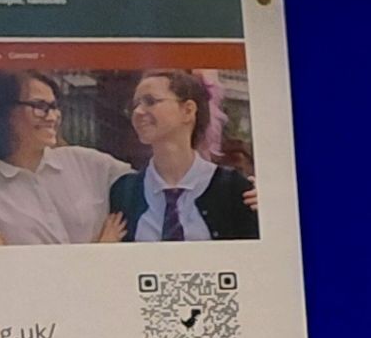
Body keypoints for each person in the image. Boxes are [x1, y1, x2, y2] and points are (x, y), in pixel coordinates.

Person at [0, 71, 128, 244]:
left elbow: (150, 188)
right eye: (40, 107)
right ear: (3, 111)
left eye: (54, 107)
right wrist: (101, 250)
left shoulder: (87, 162)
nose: (53, 117)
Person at [106, 70, 259, 241]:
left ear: (188, 110)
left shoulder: (234, 188)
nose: (138, 112)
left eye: (150, 101)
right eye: (134, 105)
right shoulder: (124, 191)